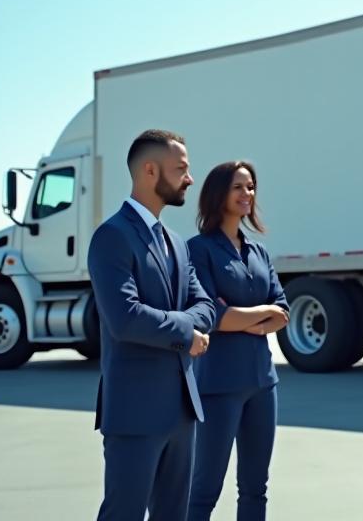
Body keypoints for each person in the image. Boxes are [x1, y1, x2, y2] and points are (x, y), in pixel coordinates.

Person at [88, 129, 217, 521]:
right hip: (134, 411)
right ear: (149, 170)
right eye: (181, 169)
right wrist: (186, 332)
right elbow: (124, 318)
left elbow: (206, 305)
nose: (189, 179)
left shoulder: (178, 242)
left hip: (181, 410)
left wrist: (191, 325)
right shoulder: (112, 237)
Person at [186, 160, 290, 521]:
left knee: (255, 489)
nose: (247, 194)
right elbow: (211, 315)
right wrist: (256, 315)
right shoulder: (197, 250)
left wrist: (241, 317)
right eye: (238, 187)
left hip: (263, 383)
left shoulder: (258, 252)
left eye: (250, 187)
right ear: (218, 194)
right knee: (204, 489)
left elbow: (282, 312)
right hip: (218, 384)